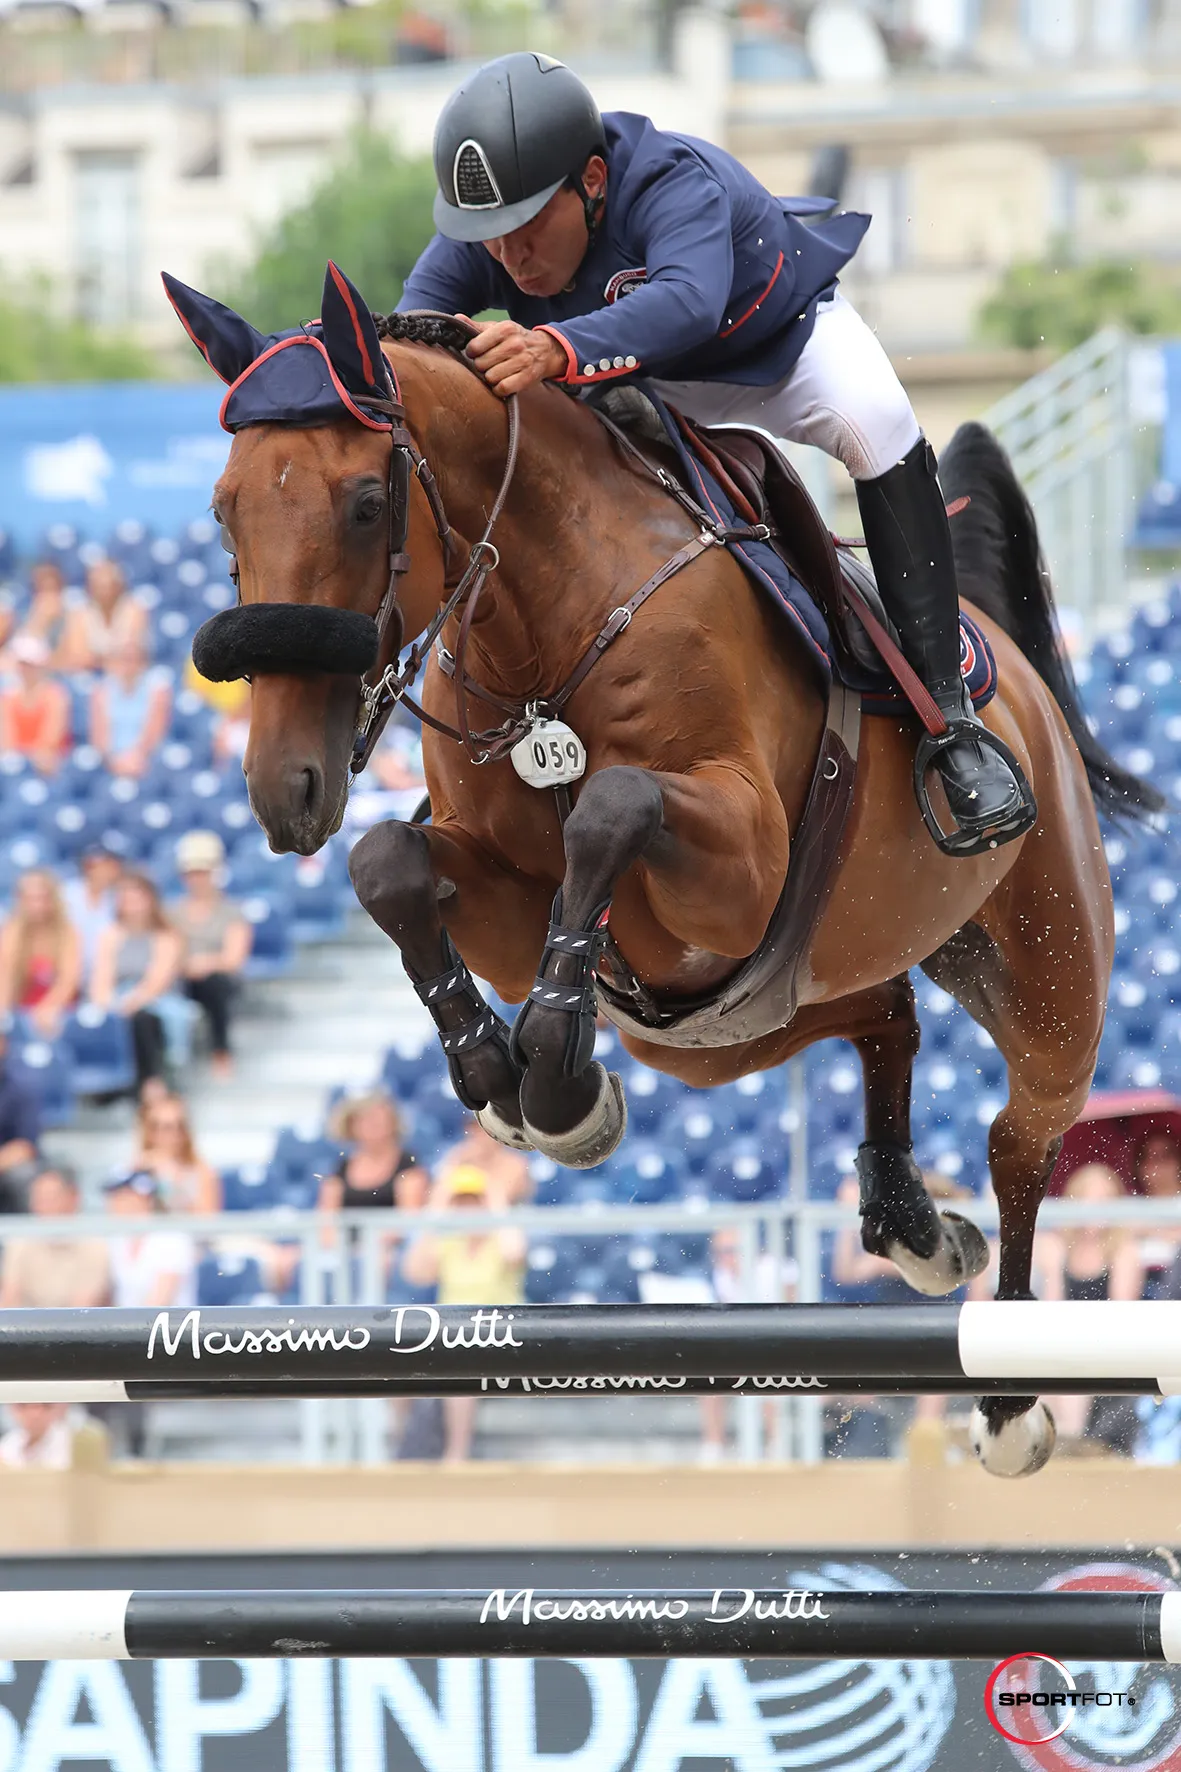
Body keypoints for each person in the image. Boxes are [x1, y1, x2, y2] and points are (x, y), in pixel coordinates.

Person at [396, 53, 1036, 855]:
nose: (510, 258)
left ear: (592, 179)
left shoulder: (670, 178)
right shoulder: (497, 235)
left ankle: (953, 721)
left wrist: (556, 349)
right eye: (489, 241)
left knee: (878, 424)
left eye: (526, 230)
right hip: (645, 383)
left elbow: (689, 302)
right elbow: (409, 335)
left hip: (780, 351)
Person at [403, 1165, 526, 1461]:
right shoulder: (449, 1242)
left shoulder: (503, 1237)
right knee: (396, 1366)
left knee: (462, 1373)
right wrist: (436, 1212)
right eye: (462, 1204)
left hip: (502, 1334)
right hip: (451, 1335)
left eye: (476, 1202)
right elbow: (415, 1272)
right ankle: (406, 1448)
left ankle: (456, 1455)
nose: (470, 1211)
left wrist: (496, 1201)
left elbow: (515, 1253)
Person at [1035, 1162, 1143, 1453]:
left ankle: (1074, 1450)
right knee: (1040, 1371)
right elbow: (1052, 1309)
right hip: (1066, 1343)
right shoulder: (1060, 1248)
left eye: (1105, 1201)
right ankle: (1053, 1448)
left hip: (1106, 1346)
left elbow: (1120, 1315)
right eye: (1088, 1200)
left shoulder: (1123, 1250)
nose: (1096, 1210)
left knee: (1071, 1384)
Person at [169, 831, 251, 1080]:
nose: (197, 879)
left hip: (217, 979)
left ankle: (221, 1051)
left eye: (202, 872)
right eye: (192, 873)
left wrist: (203, 963)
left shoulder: (232, 911)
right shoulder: (172, 912)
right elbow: (167, 951)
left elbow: (234, 958)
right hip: (181, 978)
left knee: (215, 985)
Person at [89, 872, 183, 1086]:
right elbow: (101, 977)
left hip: (157, 1003)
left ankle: (151, 1080)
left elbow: (157, 981)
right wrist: (105, 1003)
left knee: (142, 1020)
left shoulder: (166, 936)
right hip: (117, 1000)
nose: (131, 906)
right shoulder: (110, 935)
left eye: (137, 899)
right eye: (126, 900)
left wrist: (132, 1002)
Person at [0, 1163, 110, 1308]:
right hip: (29, 1327)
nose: (42, 1207)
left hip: (78, 1327)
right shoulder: (20, 1241)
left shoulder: (94, 1244)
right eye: (38, 1199)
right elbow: (9, 1301)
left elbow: (82, 1311)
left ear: (73, 1198)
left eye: (50, 1198)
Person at [0, 869, 83, 1037]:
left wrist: (47, 1008)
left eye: (41, 899)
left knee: (50, 1024)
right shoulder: (11, 932)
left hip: (59, 1009)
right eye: (30, 899)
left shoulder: (67, 933)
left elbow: (68, 982)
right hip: (22, 1009)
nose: (36, 906)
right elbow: (6, 979)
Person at [88, 639, 171, 779]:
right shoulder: (102, 691)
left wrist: (136, 757)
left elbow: (154, 734)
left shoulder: (157, 691)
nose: (128, 665)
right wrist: (114, 761)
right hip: (110, 761)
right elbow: (99, 736)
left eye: (133, 660)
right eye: (123, 659)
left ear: (143, 663)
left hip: (146, 759)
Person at [132, 1090, 222, 1214]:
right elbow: (131, 1222)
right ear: (151, 1132)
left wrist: (173, 1182)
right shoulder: (137, 1169)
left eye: (180, 1126)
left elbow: (208, 1220)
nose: (175, 1134)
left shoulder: (203, 1171)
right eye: (167, 1127)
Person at [59, 557, 147, 674]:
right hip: (89, 676)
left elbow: (133, 654)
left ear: (118, 586)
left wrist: (99, 660)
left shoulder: (134, 611)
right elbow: (78, 657)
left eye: (108, 586)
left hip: (126, 676)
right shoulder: (80, 614)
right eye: (99, 586)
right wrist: (109, 661)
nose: (104, 592)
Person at [0, 634, 71, 775]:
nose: (26, 669)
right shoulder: (7, 697)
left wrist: (32, 756)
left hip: (46, 762)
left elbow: (50, 740)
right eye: (23, 664)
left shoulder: (55, 696)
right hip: (17, 760)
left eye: (30, 665)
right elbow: (6, 739)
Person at [64, 842, 124, 986]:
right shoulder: (67, 894)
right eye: (101, 865)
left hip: (110, 977)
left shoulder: (121, 897)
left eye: (111, 864)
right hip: (70, 974)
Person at [1132, 1129, 1181, 1296]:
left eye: (1165, 1156)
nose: (1156, 1165)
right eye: (1149, 1157)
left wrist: (1148, 1231)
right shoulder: (1129, 1205)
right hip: (1135, 1284)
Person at [0, 1028, 41, 1212]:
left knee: (23, 1174)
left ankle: (24, 1237)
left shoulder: (20, 1090)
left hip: (5, 1166)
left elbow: (25, 1147)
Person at [18, 560, 70, 665]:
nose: (47, 597)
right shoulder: (22, 611)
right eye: (42, 588)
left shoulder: (72, 616)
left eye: (51, 589)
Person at [0, 1402, 77, 1470]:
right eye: (24, 1405)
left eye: (45, 1405)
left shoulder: (72, 1443)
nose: (35, 1413)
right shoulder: (8, 1443)